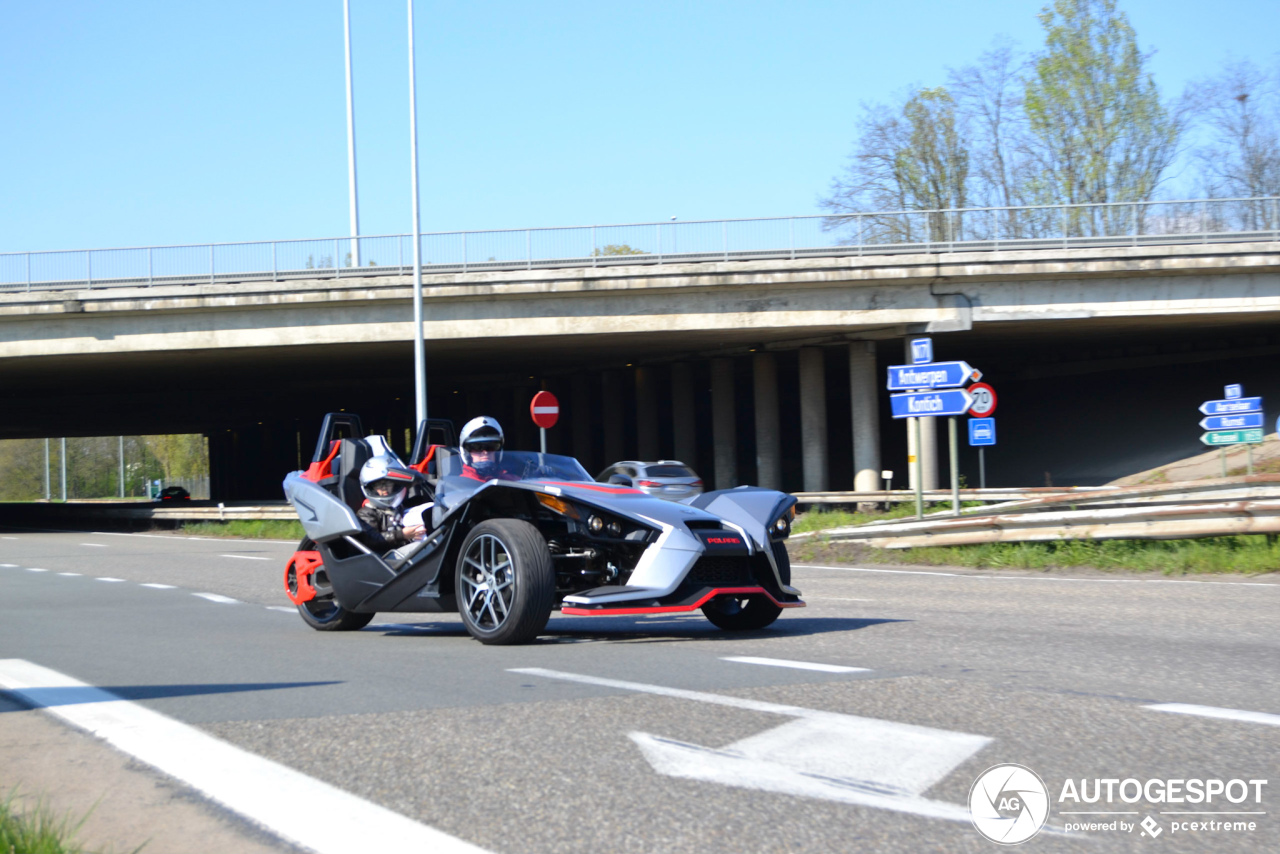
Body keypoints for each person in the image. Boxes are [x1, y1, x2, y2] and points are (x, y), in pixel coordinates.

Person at [357, 454, 425, 550]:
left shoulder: (398, 506)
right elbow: (371, 540)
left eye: (388, 483)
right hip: (384, 559)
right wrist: (402, 535)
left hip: (401, 553)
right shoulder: (366, 513)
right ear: (371, 488)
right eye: (378, 485)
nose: (384, 488)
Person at [458, 416, 519, 482]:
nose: (485, 452)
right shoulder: (459, 485)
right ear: (467, 453)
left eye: (491, 446)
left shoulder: (512, 481)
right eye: (477, 447)